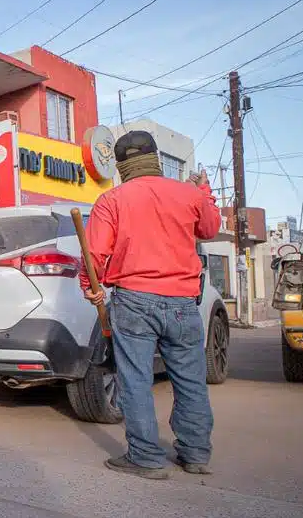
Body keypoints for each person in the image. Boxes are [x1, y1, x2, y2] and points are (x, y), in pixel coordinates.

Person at [80, 130, 221, 480]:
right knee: (190, 380)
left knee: (136, 379)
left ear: (121, 164)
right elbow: (210, 227)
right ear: (156, 158)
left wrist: (91, 288)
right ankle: (196, 454)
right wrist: (203, 193)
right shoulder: (189, 194)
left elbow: (94, 254)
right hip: (183, 302)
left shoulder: (111, 200)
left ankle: (145, 457)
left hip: (133, 300)